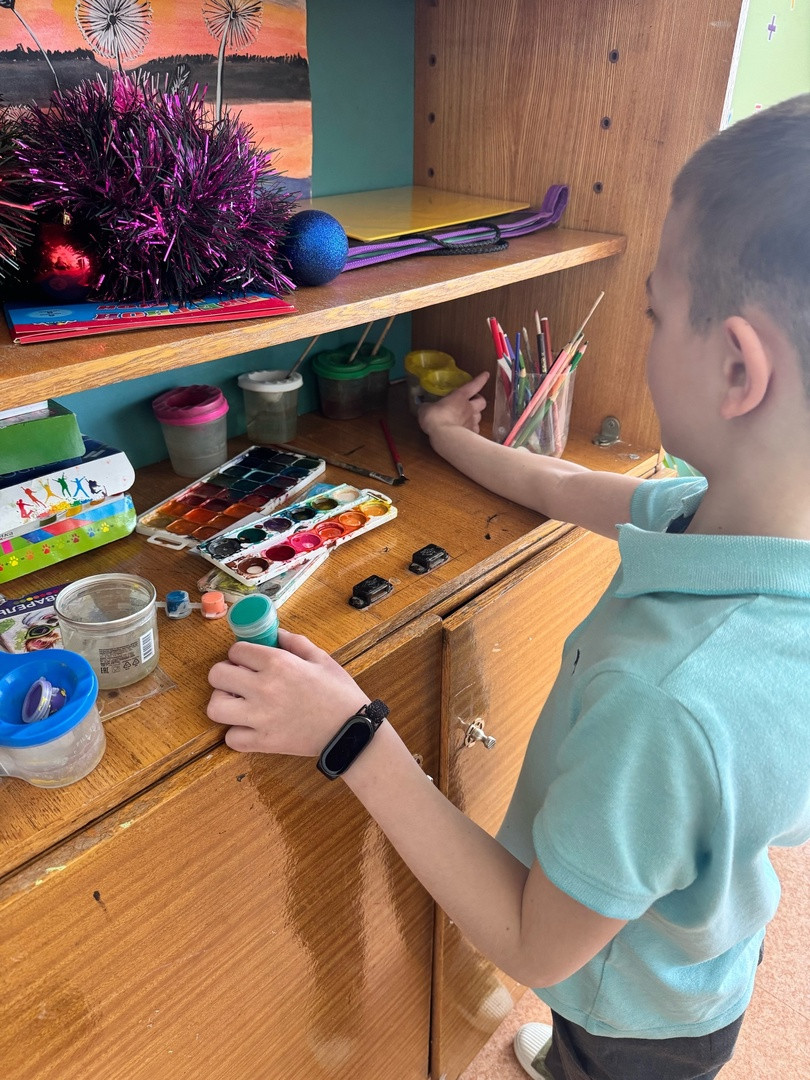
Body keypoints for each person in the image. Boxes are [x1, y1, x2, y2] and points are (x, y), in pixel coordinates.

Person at [207, 95, 810, 1080]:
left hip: (636, 1021)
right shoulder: (730, 524)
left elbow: (534, 945)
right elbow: (568, 486)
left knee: (591, 1047)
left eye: (655, 313)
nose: (647, 332)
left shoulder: (667, 703)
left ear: (739, 370)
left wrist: (351, 732)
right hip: (699, 958)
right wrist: (449, 438)